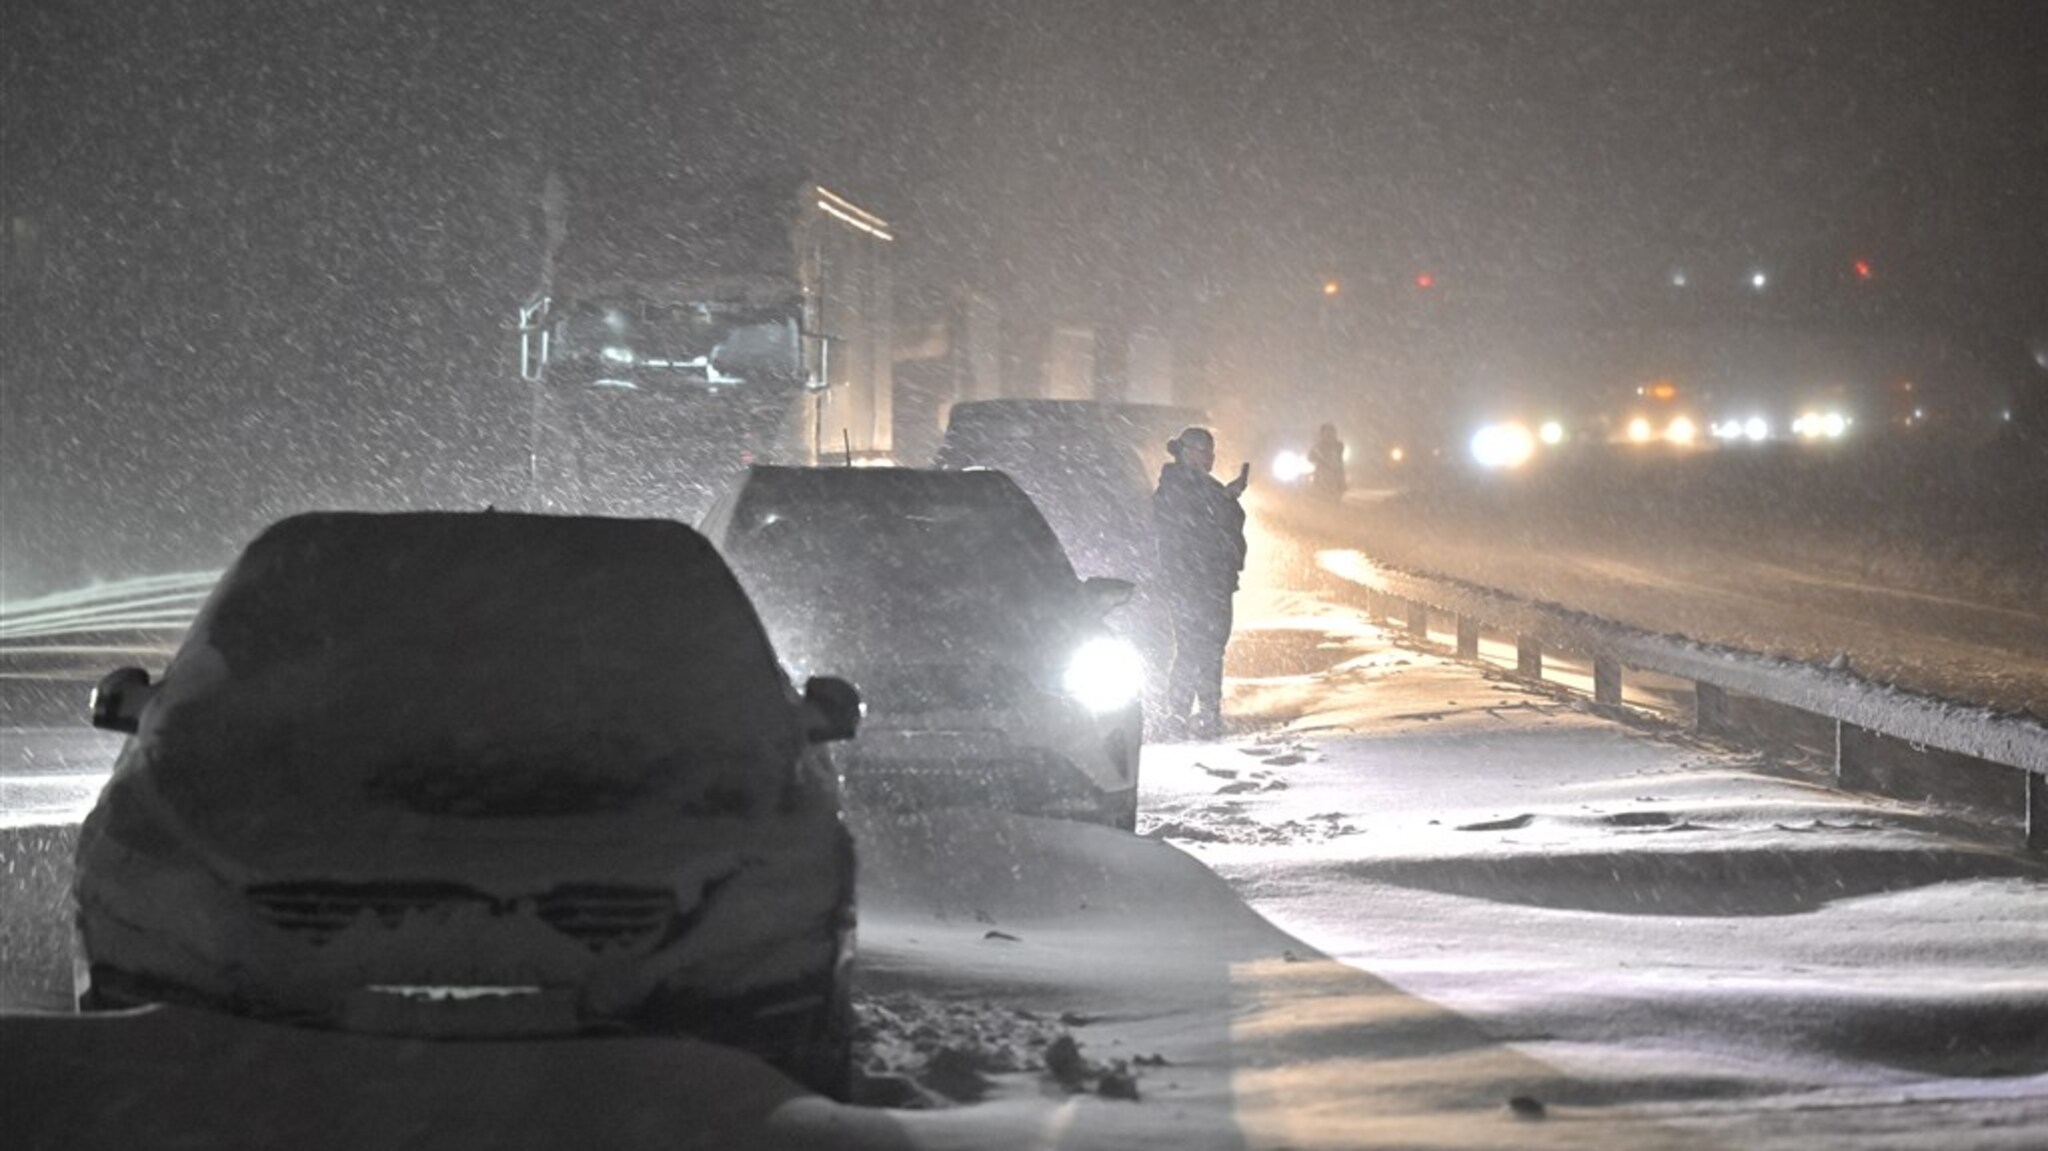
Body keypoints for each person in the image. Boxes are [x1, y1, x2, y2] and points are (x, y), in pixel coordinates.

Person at [1152, 426, 1248, 740]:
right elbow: (1196, 525)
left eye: (1211, 451)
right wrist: (1227, 499)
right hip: (1190, 582)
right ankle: (1183, 714)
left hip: (1213, 581)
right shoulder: (1176, 486)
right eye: (1202, 450)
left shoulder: (1204, 487)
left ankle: (1204, 712)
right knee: (1196, 648)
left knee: (1209, 649)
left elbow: (1224, 525)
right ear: (1185, 452)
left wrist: (1228, 498)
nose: (1208, 457)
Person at [1308, 422, 1346, 503]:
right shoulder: (1318, 447)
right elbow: (1310, 457)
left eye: (1331, 432)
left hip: (1336, 475)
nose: (1329, 435)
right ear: (1322, 434)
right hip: (1323, 476)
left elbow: (1339, 459)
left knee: (1335, 500)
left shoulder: (1338, 445)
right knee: (1322, 499)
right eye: (1327, 433)